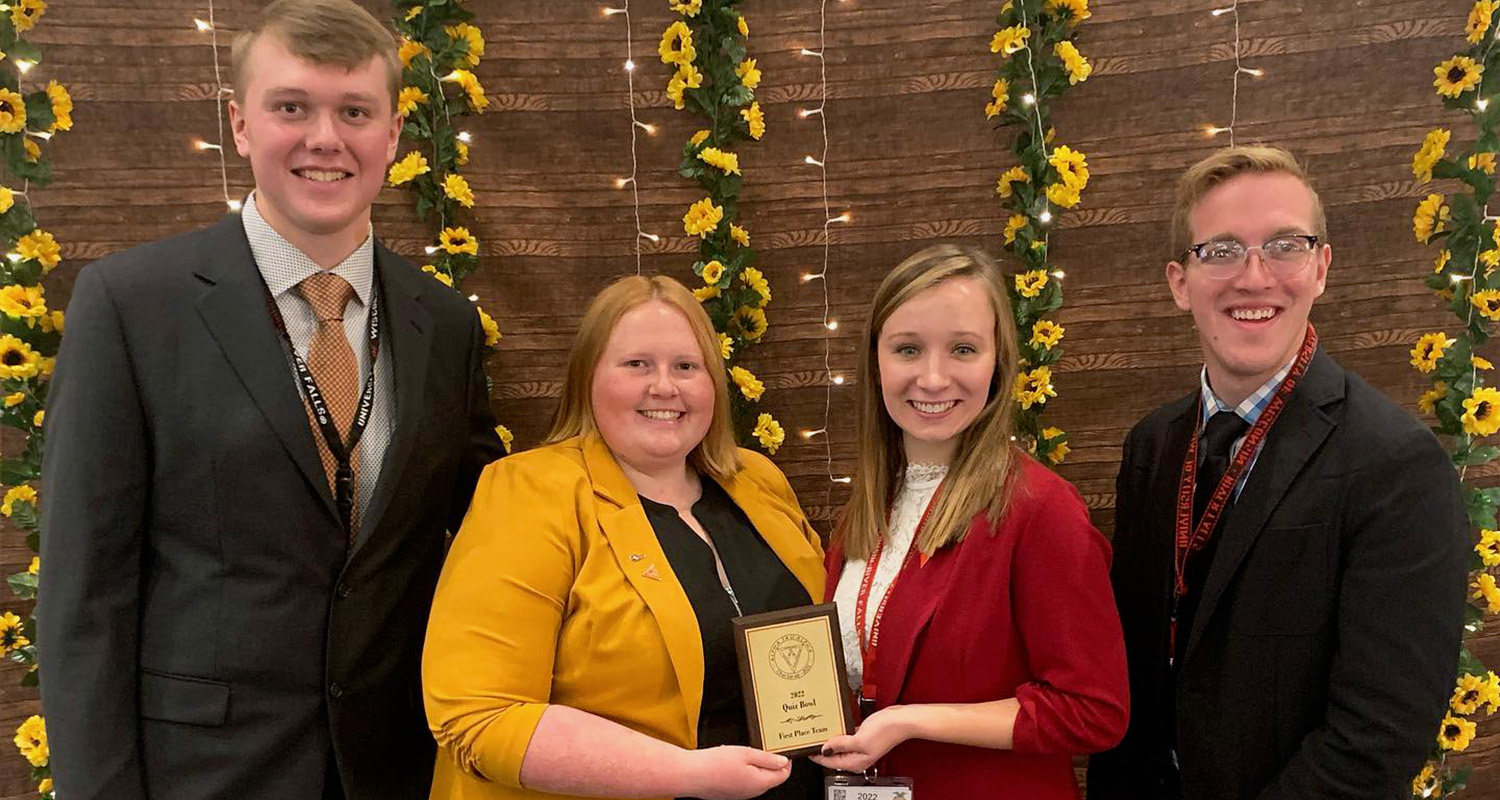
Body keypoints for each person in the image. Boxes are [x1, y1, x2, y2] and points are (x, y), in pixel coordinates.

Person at [36, 2, 504, 798]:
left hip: (395, 767)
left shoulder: (447, 324)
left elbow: (493, 528)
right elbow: (85, 592)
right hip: (203, 774)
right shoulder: (130, 304)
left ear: (392, 135)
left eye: (354, 111)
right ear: (241, 124)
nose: (326, 138)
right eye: (293, 107)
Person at [1086, 145, 1470, 799]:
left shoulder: (1396, 464)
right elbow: (1136, 674)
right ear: (1180, 281)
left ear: (1321, 267)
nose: (1255, 277)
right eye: (1222, 250)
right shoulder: (1151, 446)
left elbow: (1376, 740)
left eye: (1285, 245)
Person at [423, 274, 825, 800]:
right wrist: (687, 775)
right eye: (637, 364)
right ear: (589, 378)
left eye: (687, 365)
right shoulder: (528, 492)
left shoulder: (757, 481)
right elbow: (481, 714)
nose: (665, 386)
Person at [811, 244, 1129, 798]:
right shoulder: (865, 509)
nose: (933, 379)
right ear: (876, 363)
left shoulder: (1041, 509)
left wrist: (911, 720)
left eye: (962, 348)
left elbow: (1094, 711)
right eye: (908, 349)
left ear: (998, 362)